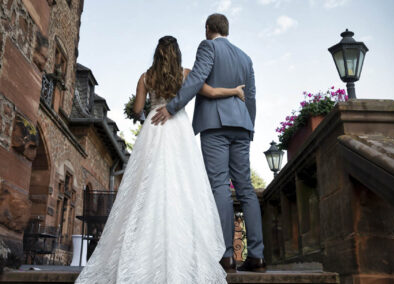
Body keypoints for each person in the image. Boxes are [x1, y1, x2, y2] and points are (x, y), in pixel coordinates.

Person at [74, 35, 245, 284]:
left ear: (157, 53)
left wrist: (139, 105)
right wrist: (235, 91)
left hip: (154, 128)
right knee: (184, 185)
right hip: (179, 129)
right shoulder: (186, 74)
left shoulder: (146, 77)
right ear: (177, 53)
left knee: (146, 183)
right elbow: (211, 91)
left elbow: (137, 109)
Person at [152, 13, 267, 273]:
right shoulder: (245, 57)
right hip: (242, 125)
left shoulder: (208, 46)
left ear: (208, 29)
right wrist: (250, 125)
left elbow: (196, 79)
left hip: (215, 125)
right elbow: (251, 97)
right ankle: (257, 256)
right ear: (226, 29)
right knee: (246, 188)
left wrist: (172, 107)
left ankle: (226, 256)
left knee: (219, 187)